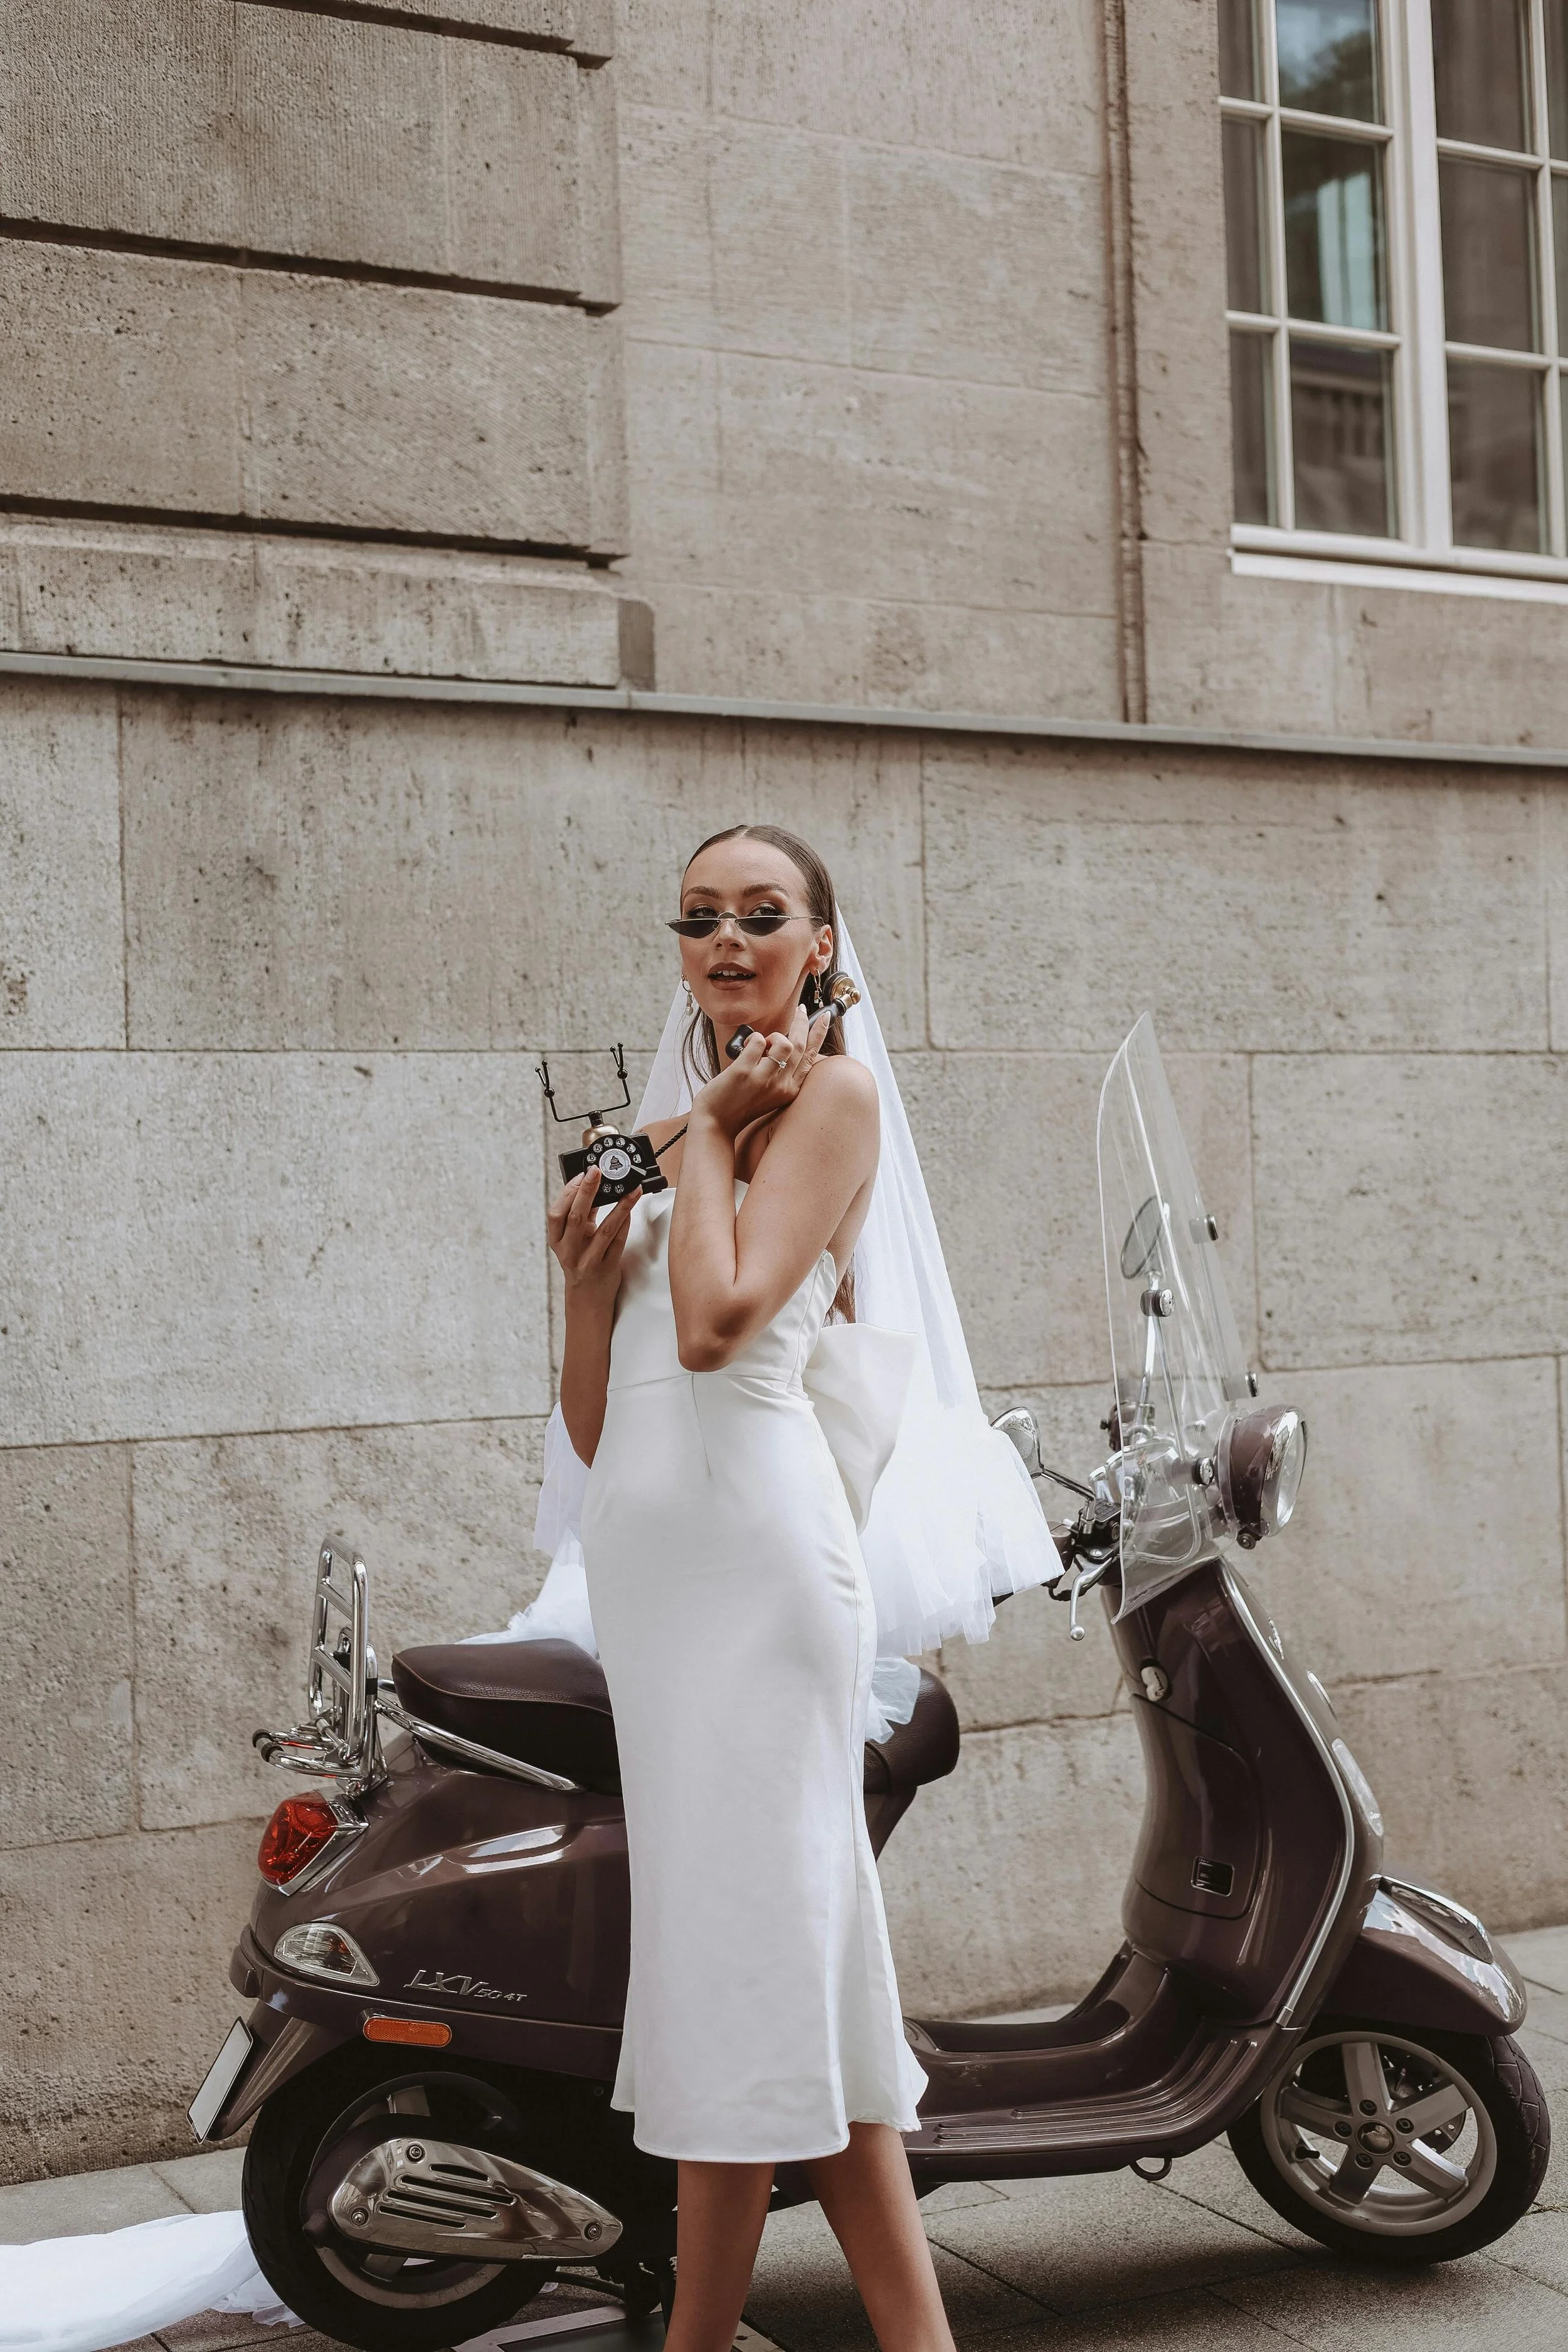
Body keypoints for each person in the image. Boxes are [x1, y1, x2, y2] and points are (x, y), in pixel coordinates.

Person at [541, 823, 1053, 2352]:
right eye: (698, 916)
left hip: (762, 1588)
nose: (726, 941)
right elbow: (604, 1416)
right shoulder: (670, 1122)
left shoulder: (828, 1097)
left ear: (820, 945)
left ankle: (699, 2344)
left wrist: (699, 1139)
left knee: (739, 1960)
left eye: (762, 917)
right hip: (657, 1584)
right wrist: (580, 1278)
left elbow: (718, 1325)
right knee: (785, 1976)